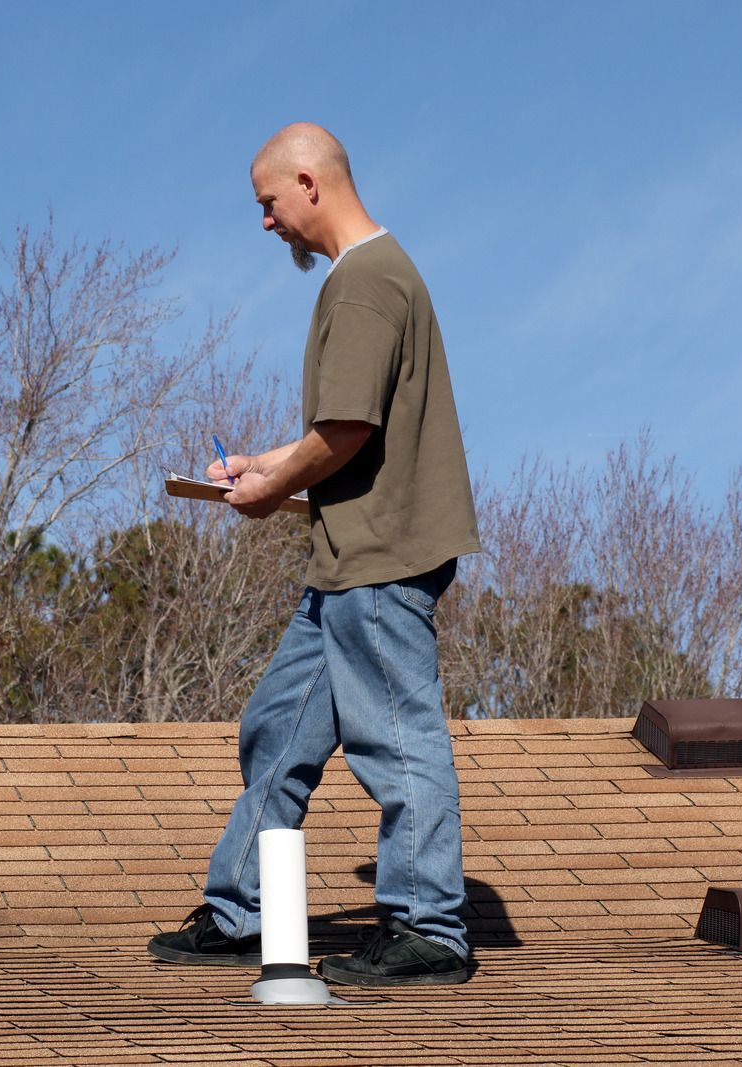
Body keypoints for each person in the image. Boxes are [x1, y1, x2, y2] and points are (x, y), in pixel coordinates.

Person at [147, 123, 483, 986]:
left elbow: (346, 430)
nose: (266, 224)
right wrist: (263, 465)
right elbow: (336, 437)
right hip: (346, 563)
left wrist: (267, 491)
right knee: (278, 727)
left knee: (397, 740)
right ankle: (242, 910)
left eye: (267, 204)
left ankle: (428, 926)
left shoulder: (367, 282)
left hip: (377, 561)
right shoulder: (370, 275)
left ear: (307, 182)